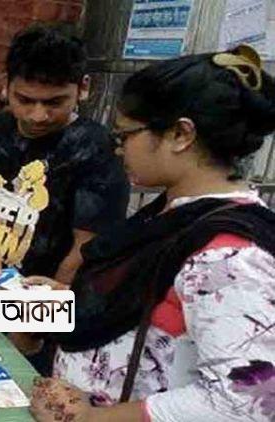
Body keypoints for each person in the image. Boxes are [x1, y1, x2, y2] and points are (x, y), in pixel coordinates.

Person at [28, 46, 275, 422]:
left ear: (180, 134)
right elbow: (143, 303)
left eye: (125, 136)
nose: (118, 149)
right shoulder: (173, 214)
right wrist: (67, 296)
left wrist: (96, 419)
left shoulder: (231, 257)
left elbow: (245, 402)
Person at [0, 26, 129, 290]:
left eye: (54, 103)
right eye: (24, 100)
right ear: (6, 85)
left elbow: (88, 244)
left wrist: (50, 301)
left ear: (83, 87)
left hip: (38, 302)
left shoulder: (95, 147)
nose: (37, 116)